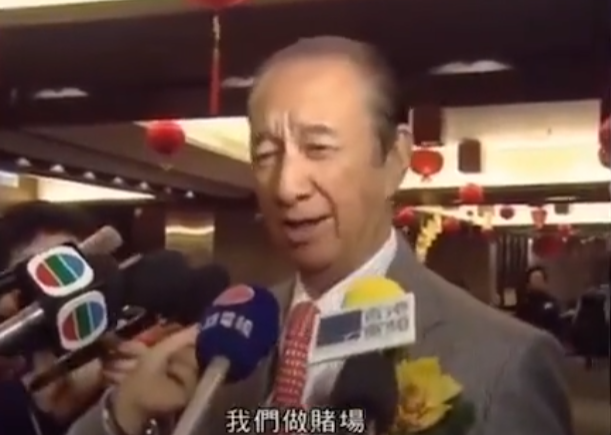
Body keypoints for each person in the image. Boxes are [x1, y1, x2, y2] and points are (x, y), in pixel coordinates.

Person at [69, 37, 572, 435]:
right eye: (266, 155)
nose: (286, 187)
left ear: (395, 159)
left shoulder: (504, 361)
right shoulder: (226, 344)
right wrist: (122, 412)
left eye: (318, 148)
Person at [0, 201, 147, 435]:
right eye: (48, 273)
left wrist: (133, 409)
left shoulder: (121, 367)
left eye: (71, 269)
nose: (64, 292)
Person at [514, 266, 563, 338]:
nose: (538, 283)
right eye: (535, 280)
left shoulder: (552, 305)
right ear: (528, 284)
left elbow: (558, 328)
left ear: (545, 283)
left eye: (540, 280)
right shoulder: (524, 305)